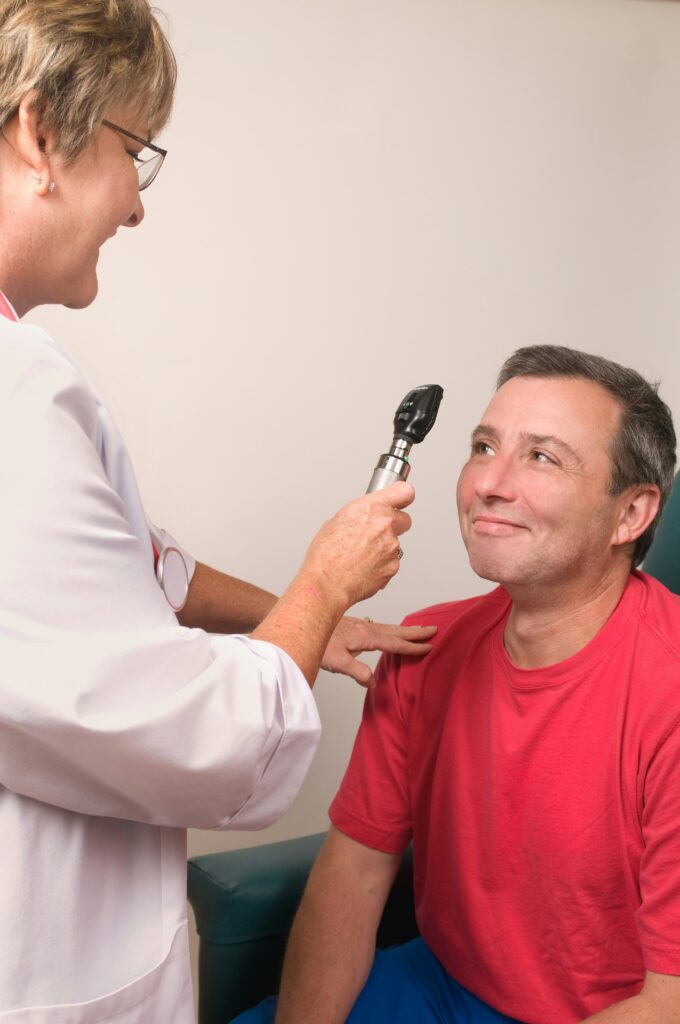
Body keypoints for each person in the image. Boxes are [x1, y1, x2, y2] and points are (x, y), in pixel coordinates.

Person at [0, 2, 437, 1021]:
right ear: (40, 134)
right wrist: (324, 580)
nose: (137, 205)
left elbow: (135, 568)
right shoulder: (13, 399)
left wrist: (303, 615)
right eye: (135, 154)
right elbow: (198, 731)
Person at [241, 345, 680, 1024]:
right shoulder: (423, 647)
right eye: (483, 446)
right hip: (438, 981)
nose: (489, 484)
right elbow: (353, 877)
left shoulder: (667, 687)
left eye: (542, 456)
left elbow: (669, 1001)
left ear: (630, 514)